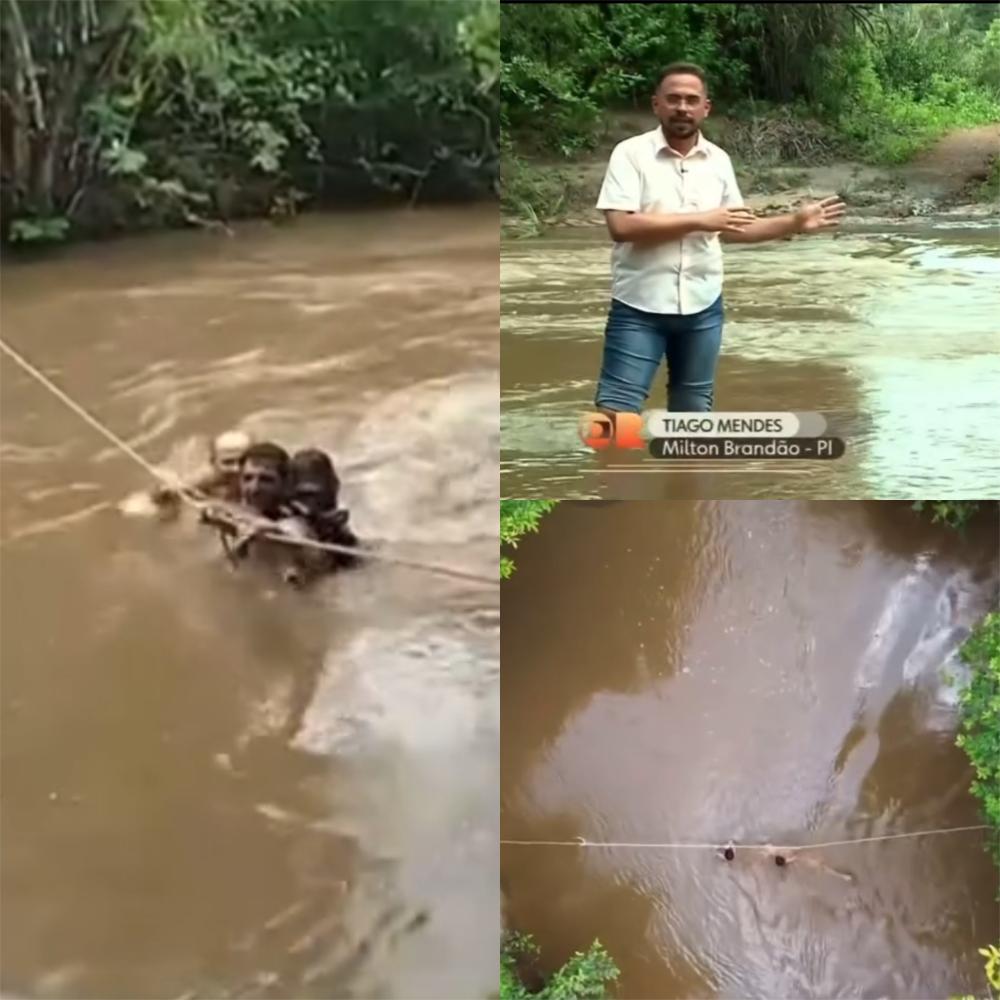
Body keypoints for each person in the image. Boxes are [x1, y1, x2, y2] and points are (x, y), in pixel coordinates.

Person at [593, 62, 846, 417]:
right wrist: (701, 219)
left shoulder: (718, 161)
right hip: (639, 306)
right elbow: (621, 226)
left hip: (703, 307)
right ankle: (618, 456)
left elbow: (734, 228)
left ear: (706, 108)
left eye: (691, 100)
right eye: (674, 99)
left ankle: (676, 457)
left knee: (693, 414)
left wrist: (794, 222)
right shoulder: (630, 153)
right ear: (656, 104)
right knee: (615, 413)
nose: (683, 107)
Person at [288, 448, 361, 569]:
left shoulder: (337, 528)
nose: (312, 502)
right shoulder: (287, 519)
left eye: (318, 495)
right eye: (306, 495)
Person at [151, 430, 254, 511]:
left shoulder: (259, 470)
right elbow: (172, 491)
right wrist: (165, 494)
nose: (237, 468)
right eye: (228, 462)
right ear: (213, 462)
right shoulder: (208, 477)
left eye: (243, 461)